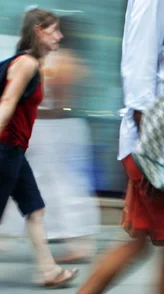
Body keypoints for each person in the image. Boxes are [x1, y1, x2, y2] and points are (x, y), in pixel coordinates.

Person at [38, 0, 164, 294]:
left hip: (160, 140)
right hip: (158, 144)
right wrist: (153, 153)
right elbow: (140, 77)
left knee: (141, 243)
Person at [0, 15, 100, 263]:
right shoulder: (51, 62)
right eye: (53, 31)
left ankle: (54, 261)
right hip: (44, 134)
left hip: (43, 134)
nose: (58, 36)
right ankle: (63, 252)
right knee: (50, 190)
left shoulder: (55, 63)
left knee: (43, 196)